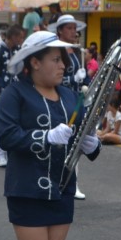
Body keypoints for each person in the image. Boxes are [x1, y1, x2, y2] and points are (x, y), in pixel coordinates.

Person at [0, 31, 101, 240]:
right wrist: (45, 136)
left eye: (63, 59)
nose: (62, 65)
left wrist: (92, 144)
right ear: (34, 62)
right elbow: (7, 136)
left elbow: (83, 133)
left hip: (63, 186)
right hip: (26, 188)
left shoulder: (70, 96)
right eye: (55, 59)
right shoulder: (15, 94)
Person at [54, 14, 88, 199]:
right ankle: (56, 179)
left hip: (76, 101)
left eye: (75, 28)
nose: (73, 32)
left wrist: (85, 80)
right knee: (61, 141)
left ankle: (72, 183)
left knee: (76, 142)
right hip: (60, 101)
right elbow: (53, 77)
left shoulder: (77, 52)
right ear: (60, 30)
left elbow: (82, 78)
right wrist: (71, 79)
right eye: (69, 28)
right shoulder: (56, 51)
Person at [0, 24, 25, 168]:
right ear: (13, 37)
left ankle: (11, 153)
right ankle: (0, 154)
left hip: (16, 92)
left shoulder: (19, 51)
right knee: (1, 125)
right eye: (21, 37)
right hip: (1, 93)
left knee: (16, 123)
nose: (22, 40)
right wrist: (1, 89)